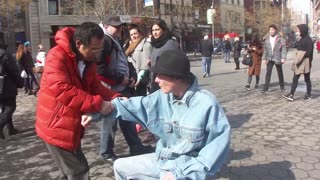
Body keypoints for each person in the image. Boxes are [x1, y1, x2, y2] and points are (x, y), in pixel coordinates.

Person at [82, 49, 231, 180]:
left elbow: (213, 153)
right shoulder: (161, 96)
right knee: (120, 165)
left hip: (185, 171)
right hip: (162, 161)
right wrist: (97, 113)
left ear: (177, 77)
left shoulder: (207, 104)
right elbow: (133, 106)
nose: (156, 79)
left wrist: (180, 175)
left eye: (160, 75)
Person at [35, 22, 121, 180]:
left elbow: (95, 86)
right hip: (56, 125)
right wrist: (98, 104)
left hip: (70, 125)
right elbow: (62, 89)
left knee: (68, 172)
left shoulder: (88, 60)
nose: (97, 54)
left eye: (99, 49)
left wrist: (115, 97)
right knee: (78, 171)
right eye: (94, 49)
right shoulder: (56, 55)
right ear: (79, 44)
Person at [97, 15, 154, 162]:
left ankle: (134, 147)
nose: (118, 29)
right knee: (111, 120)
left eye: (119, 26)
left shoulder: (114, 40)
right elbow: (100, 69)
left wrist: (132, 75)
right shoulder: (106, 41)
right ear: (106, 26)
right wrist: (120, 78)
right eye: (115, 26)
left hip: (120, 86)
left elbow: (125, 63)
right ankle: (107, 152)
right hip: (113, 88)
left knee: (127, 118)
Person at [282, 24, 313, 101]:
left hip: (305, 62)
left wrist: (300, 55)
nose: (298, 31)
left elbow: (309, 52)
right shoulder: (301, 39)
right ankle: (291, 94)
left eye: (299, 30)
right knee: (295, 78)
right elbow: (298, 47)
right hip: (300, 61)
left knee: (307, 79)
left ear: (303, 30)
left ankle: (308, 94)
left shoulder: (308, 40)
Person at [149, 19, 180, 93]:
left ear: (163, 30)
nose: (155, 33)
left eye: (157, 30)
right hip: (155, 82)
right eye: (153, 30)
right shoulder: (155, 44)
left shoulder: (170, 44)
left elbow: (174, 65)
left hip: (166, 85)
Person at [0, 44, 24, 139]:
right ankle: (1, 125)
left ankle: (10, 129)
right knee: (10, 107)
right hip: (6, 85)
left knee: (4, 108)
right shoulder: (5, 55)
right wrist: (20, 82)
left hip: (3, 86)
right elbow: (14, 71)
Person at [125, 25, 153, 96]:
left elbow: (146, 66)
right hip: (131, 80)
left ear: (140, 34)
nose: (133, 36)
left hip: (141, 82)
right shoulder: (130, 46)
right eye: (131, 35)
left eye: (135, 33)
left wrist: (139, 78)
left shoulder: (146, 45)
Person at [261, 24, 287, 93]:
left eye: (272, 30)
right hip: (269, 58)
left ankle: (282, 86)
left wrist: (283, 57)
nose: (271, 31)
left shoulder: (280, 39)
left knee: (280, 72)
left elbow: (284, 49)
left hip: (278, 57)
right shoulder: (267, 39)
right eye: (270, 30)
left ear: (275, 30)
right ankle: (265, 88)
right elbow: (265, 50)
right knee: (268, 73)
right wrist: (264, 58)